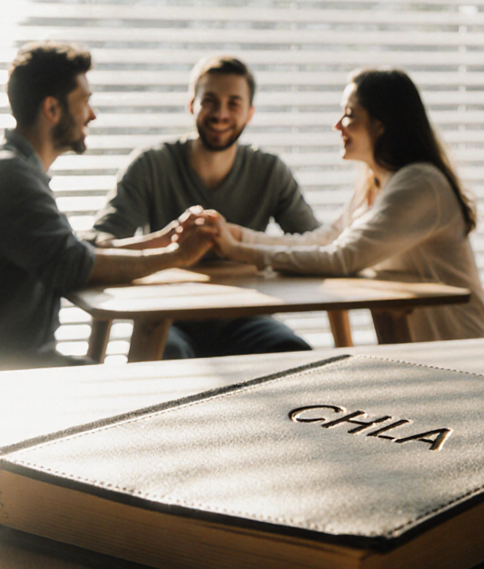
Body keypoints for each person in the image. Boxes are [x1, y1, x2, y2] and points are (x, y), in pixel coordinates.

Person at [0, 43, 214, 375]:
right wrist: (177, 257)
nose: (91, 114)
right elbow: (71, 263)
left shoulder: (13, 169)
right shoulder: (7, 176)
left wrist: (163, 241)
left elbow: (68, 250)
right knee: (130, 387)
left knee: (124, 381)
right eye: (84, 101)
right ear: (52, 108)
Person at [210, 68, 484, 343]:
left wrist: (238, 251)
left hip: (466, 346)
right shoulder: (375, 181)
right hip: (421, 350)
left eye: (350, 114)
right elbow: (324, 240)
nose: (338, 124)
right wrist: (239, 236)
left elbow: (342, 259)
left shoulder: (420, 184)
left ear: (381, 126)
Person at [92, 55, 319, 359]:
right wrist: (169, 241)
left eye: (234, 103)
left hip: (246, 317)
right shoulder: (150, 164)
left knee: (295, 353)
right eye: (210, 101)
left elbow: (315, 248)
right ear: (192, 105)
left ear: (250, 113)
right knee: (166, 356)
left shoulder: (270, 170)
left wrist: (239, 242)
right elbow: (99, 245)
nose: (221, 113)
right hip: (167, 315)